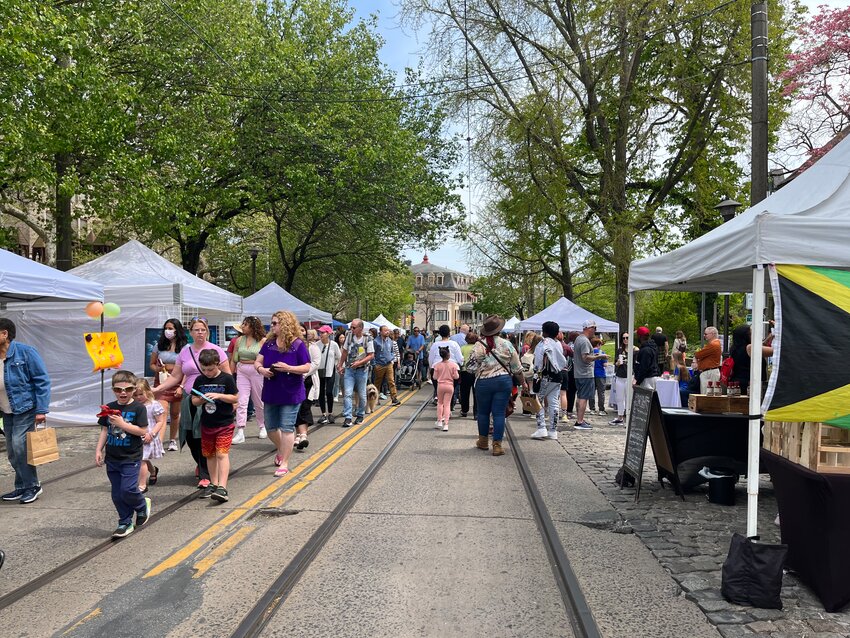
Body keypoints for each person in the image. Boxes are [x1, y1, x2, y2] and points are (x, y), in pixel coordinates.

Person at [153, 317, 230, 489]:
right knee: (189, 435)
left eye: (203, 330)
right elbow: (175, 376)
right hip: (191, 399)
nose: (200, 333)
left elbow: (228, 376)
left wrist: (231, 400)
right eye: (196, 330)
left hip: (212, 401)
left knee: (204, 435)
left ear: (207, 332)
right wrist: (158, 389)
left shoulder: (216, 350)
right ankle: (202, 465)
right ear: (190, 332)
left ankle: (205, 474)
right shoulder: (185, 352)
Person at [0, 318, 50, 504]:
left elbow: (42, 381)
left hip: (25, 407)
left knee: (20, 447)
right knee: (13, 451)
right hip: (6, 410)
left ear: (4, 334)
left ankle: (33, 486)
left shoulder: (25, 352)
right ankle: (21, 486)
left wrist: (42, 409)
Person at [255, 311, 311, 476]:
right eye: (272, 323)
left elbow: (307, 366)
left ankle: (284, 462)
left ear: (285, 324)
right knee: (271, 427)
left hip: (291, 391)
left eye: (274, 323)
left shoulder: (298, 344)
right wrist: (262, 370)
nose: (272, 326)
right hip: (271, 389)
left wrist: (289, 368)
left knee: (287, 427)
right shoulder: (269, 343)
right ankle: (282, 449)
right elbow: (257, 361)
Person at [95, 370, 151, 538]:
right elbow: (105, 429)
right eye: (118, 390)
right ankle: (125, 521)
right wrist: (98, 449)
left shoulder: (138, 408)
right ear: (113, 390)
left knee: (128, 489)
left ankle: (142, 505)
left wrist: (123, 424)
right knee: (117, 493)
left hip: (131, 457)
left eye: (127, 389)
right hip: (112, 457)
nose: (123, 393)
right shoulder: (110, 407)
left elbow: (142, 430)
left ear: (134, 389)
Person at [465, 315, 524, 456]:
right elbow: (517, 368)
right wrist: (523, 383)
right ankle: (497, 445)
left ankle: (483, 441)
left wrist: (482, 366)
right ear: (499, 330)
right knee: (499, 413)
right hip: (503, 382)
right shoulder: (507, 344)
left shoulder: (478, 345)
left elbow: (469, 368)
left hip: (483, 383)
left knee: (483, 413)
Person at [192, 349, 238, 501]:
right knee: (209, 455)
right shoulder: (200, 380)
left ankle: (222, 487)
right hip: (207, 423)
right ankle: (213, 483)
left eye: (210, 369)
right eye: (204, 369)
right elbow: (194, 400)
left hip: (224, 423)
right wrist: (202, 399)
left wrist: (220, 396)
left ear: (217, 364)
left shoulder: (226, 379)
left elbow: (235, 398)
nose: (207, 373)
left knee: (221, 453)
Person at [150, 318, 187, 451]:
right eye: (166, 328)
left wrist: (182, 386)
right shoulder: (158, 345)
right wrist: (159, 369)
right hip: (161, 381)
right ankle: (159, 442)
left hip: (177, 382)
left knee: (175, 413)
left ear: (177, 330)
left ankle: (172, 440)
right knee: (162, 412)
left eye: (171, 328)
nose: (168, 331)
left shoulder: (185, 347)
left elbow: (187, 369)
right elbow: (152, 364)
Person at [229, 316, 267, 444]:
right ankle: (240, 431)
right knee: (241, 400)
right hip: (242, 370)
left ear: (253, 326)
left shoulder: (262, 341)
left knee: (259, 400)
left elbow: (265, 359)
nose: (243, 326)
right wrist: (230, 376)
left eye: (245, 324)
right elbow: (234, 358)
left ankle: (262, 426)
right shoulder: (239, 340)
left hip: (257, 371)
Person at [531, 321, 567, 441]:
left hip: (544, 376)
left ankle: (541, 428)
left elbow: (538, 361)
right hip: (557, 376)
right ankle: (553, 430)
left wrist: (536, 374)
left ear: (544, 331)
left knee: (538, 401)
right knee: (553, 402)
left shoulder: (543, 343)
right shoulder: (558, 344)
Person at [338, 319, 375, 427]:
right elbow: (345, 351)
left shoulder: (367, 338)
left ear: (360, 328)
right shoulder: (349, 336)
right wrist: (340, 364)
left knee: (362, 394)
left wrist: (359, 363)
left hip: (362, 370)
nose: (351, 329)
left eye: (354, 327)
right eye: (351, 327)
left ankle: (360, 415)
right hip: (349, 369)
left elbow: (371, 355)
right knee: (348, 393)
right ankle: (348, 417)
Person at [572, 320, 605, 430]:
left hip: (578, 373)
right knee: (583, 398)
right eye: (594, 328)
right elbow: (585, 357)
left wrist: (593, 355)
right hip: (585, 373)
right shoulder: (585, 341)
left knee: (580, 396)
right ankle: (580, 421)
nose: (595, 331)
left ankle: (579, 419)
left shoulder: (578, 339)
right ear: (589, 328)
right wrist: (598, 357)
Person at [134, 379, 164, 493]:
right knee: (142, 458)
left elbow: (160, 421)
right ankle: (153, 471)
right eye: (135, 395)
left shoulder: (153, 405)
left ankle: (142, 484)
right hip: (138, 435)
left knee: (142, 459)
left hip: (150, 434)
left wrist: (152, 434)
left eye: (141, 394)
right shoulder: (134, 405)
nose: (138, 397)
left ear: (148, 392)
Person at [294, 327, 321, 450]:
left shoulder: (312, 347)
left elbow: (315, 363)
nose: (301, 332)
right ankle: (298, 435)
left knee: (305, 406)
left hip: (308, 381)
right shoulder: (291, 345)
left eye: (303, 330)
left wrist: (304, 374)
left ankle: (303, 435)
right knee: (294, 408)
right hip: (293, 380)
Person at [729, 324, 774, 396]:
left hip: (738, 383)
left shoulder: (735, 348)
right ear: (746, 336)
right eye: (752, 333)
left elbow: (761, 345)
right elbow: (774, 351)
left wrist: (770, 336)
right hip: (749, 386)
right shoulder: (750, 348)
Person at [427, 325, 464, 406]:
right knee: (452, 389)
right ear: (449, 333)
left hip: (437, 368)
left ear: (440, 333)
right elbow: (460, 359)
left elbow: (430, 359)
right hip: (452, 369)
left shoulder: (435, 344)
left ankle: (441, 406)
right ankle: (449, 407)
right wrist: (460, 364)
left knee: (439, 390)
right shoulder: (454, 344)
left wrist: (431, 368)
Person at [610, 332, 636, 426]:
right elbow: (615, 363)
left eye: (627, 338)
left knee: (629, 397)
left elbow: (636, 364)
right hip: (620, 376)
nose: (625, 339)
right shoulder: (620, 350)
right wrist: (618, 363)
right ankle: (620, 417)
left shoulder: (635, 350)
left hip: (629, 376)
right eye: (623, 338)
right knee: (619, 398)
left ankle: (629, 417)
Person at [317, 325, 341, 424]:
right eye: (320, 332)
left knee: (329, 392)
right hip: (319, 371)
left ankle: (330, 413)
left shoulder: (334, 345)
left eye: (323, 332)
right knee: (321, 393)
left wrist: (336, 365)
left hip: (330, 371)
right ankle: (323, 414)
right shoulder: (316, 344)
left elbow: (339, 356)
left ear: (329, 334)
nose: (321, 334)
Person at [373, 325, 401, 406]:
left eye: (388, 330)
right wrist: (374, 364)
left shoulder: (390, 341)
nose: (387, 332)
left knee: (391, 381)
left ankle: (394, 398)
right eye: (385, 330)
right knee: (378, 382)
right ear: (381, 332)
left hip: (389, 364)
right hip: (379, 364)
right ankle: (376, 398)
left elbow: (392, 351)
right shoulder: (376, 341)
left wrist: (392, 358)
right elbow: (373, 353)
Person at [432, 347, 459, 431]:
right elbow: (456, 377)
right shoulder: (453, 365)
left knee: (440, 403)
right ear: (449, 355)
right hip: (450, 386)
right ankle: (446, 424)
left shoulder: (437, 365)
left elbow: (435, 377)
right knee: (447, 404)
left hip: (440, 386)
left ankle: (439, 421)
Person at [694, 326, 722, 394]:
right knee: (709, 393)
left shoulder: (713, 345)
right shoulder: (715, 344)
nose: (704, 335)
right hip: (710, 371)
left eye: (706, 334)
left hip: (709, 372)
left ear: (712, 334)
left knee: (707, 394)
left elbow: (698, 355)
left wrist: (697, 356)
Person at [458, 332, 479, 418]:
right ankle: (476, 413)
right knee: (476, 393)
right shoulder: (478, 347)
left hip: (465, 372)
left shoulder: (462, 348)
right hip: (476, 373)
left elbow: (460, 360)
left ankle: (464, 410)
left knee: (464, 392)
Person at [588, 337, 608, 415]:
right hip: (600, 374)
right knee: (601, 392)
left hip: (592, 374)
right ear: (598, 344)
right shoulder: (601, 352)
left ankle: (592, 409)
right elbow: (605, 364)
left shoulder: (590, 352)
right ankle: (601, 409)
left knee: (592, 392)